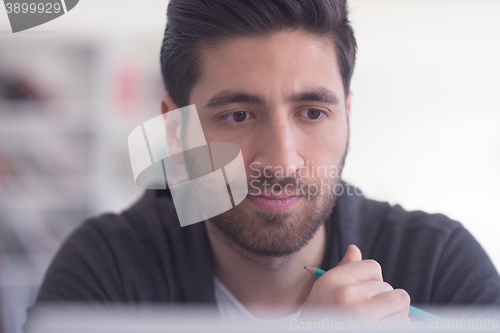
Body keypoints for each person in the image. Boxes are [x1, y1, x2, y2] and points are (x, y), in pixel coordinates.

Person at [27, 0, 500, 326]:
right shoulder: (105, 271)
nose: (281, 161)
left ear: (347, 115)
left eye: (312, 112)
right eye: (238, 115)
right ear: (177, 132)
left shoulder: (442, 266)